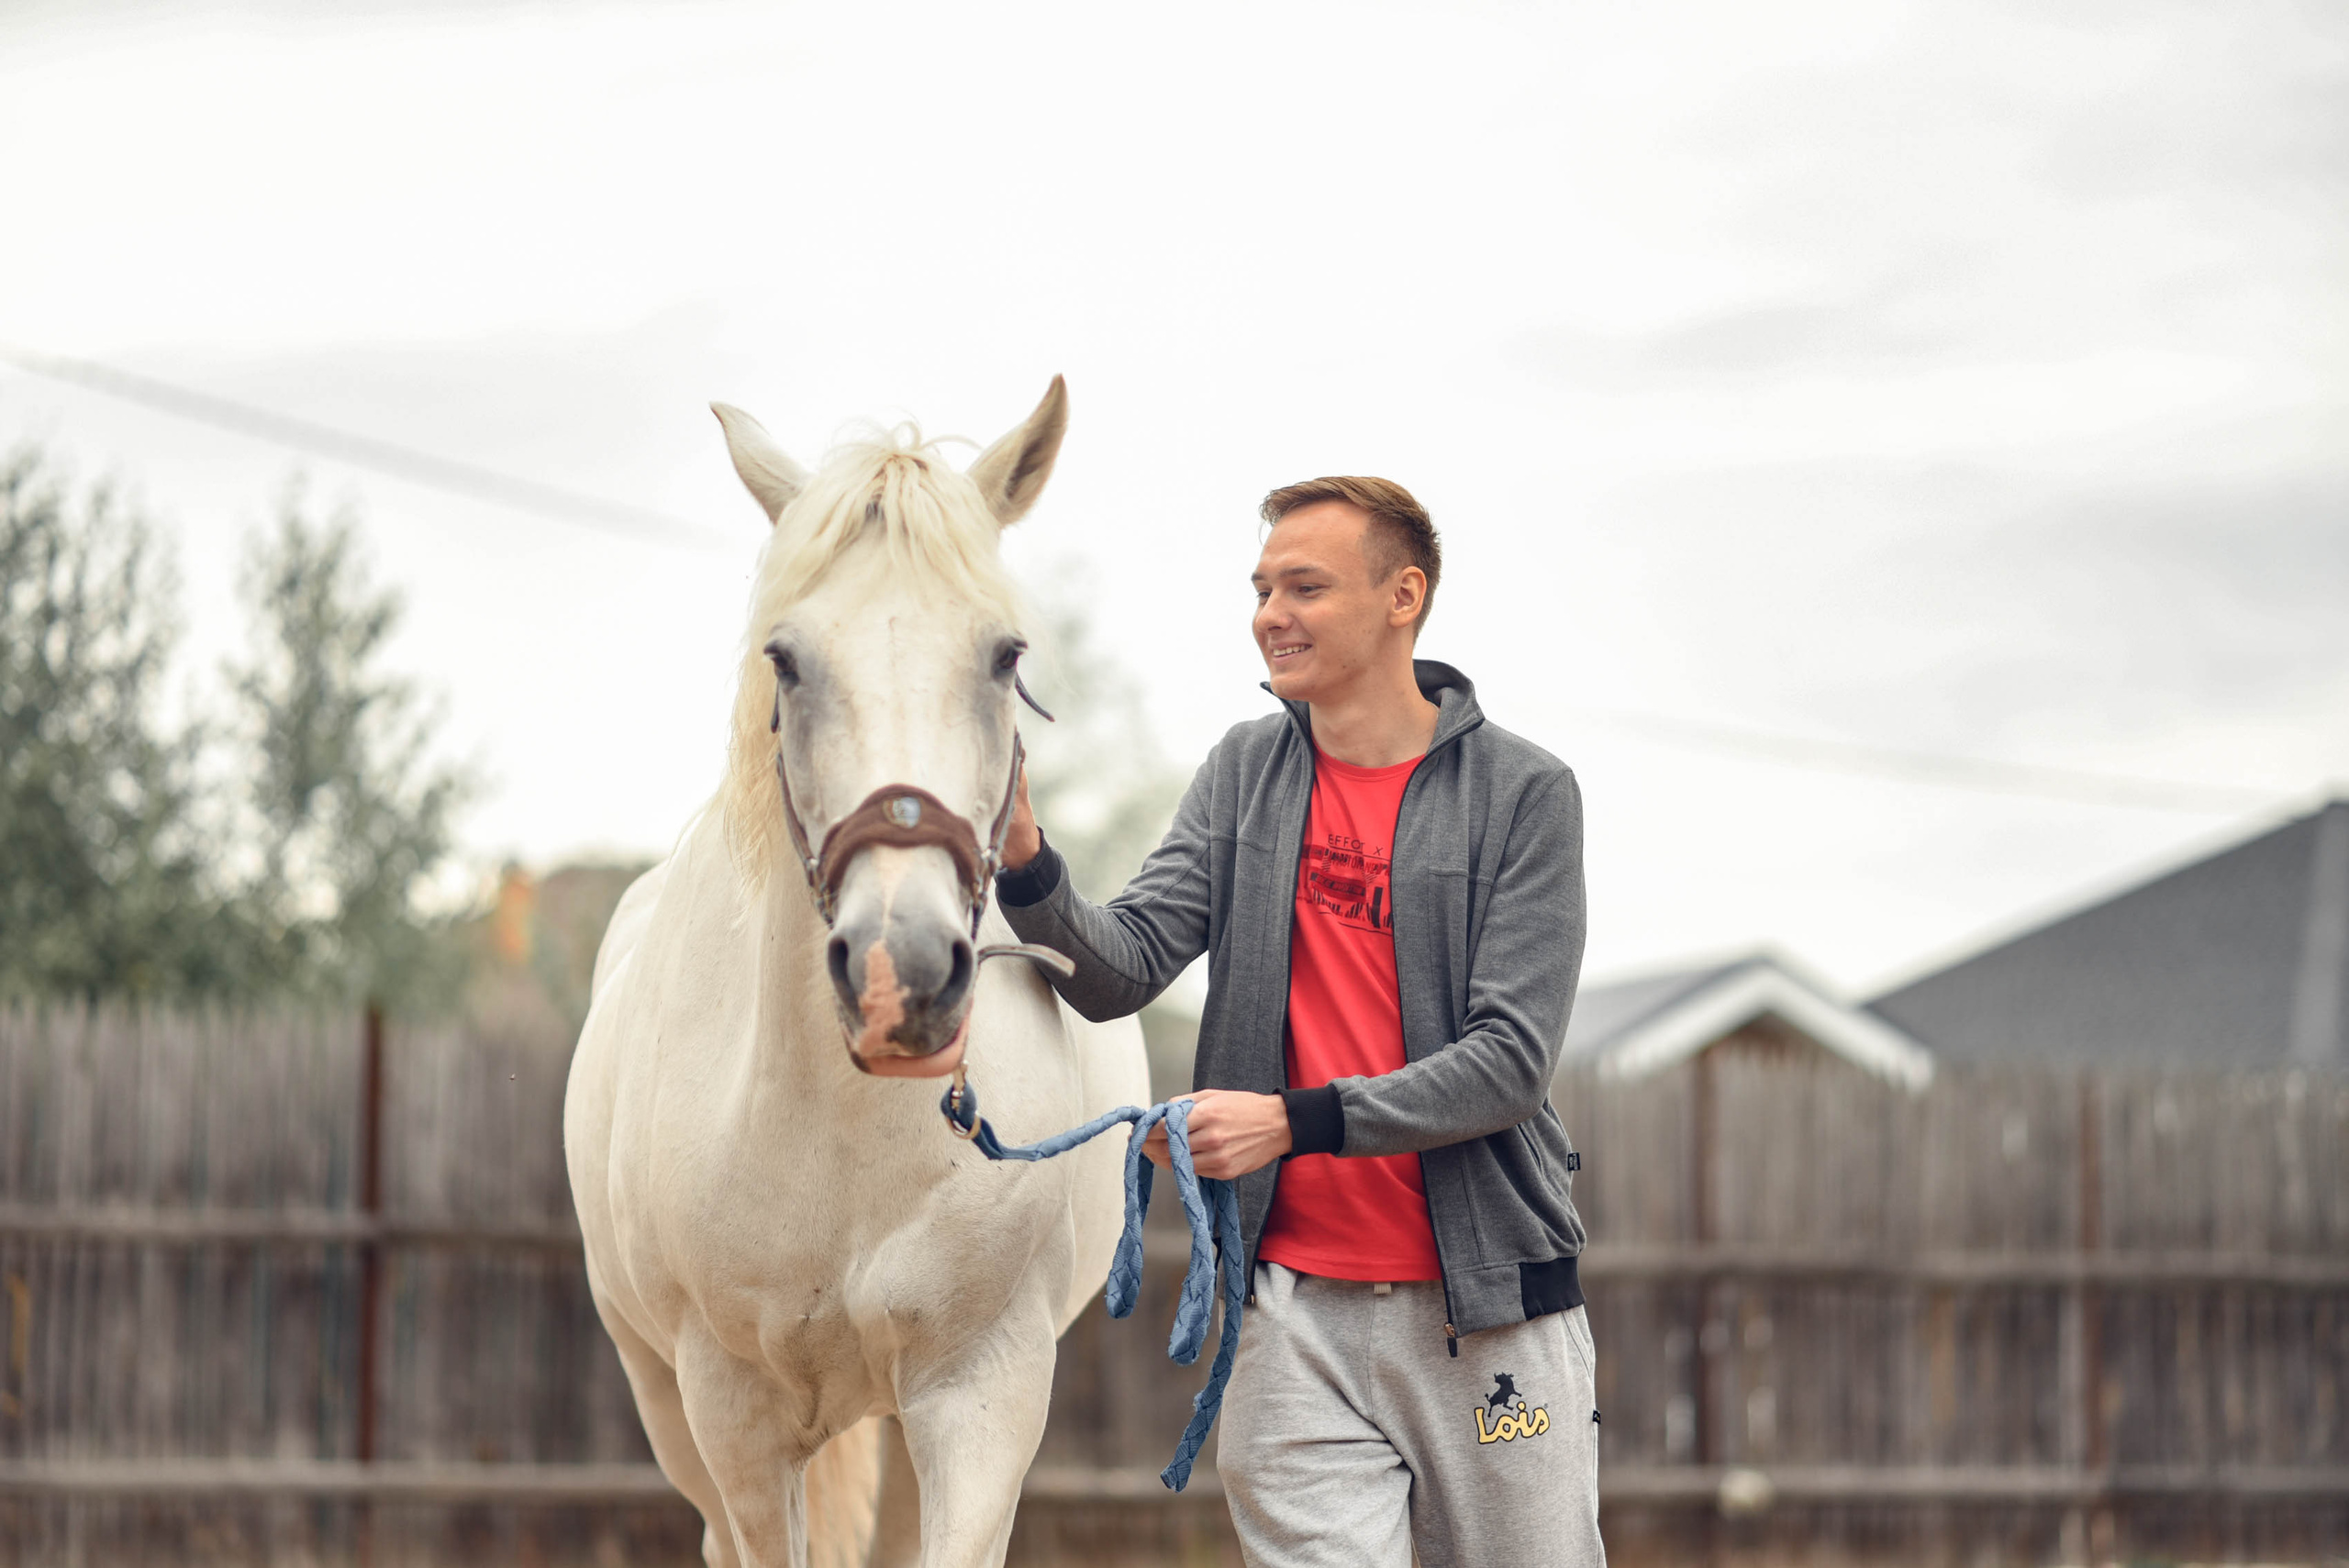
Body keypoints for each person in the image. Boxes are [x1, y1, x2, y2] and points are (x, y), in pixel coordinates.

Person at [994, 477, 1602, 1567]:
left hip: (1490, 1317)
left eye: (1304, 586)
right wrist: (1026, 859)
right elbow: (1119, 966)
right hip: (1290, 1320)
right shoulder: (1244, 772)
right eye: (1262, 587)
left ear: (1402, 596)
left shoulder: (1523, 792)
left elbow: (1507, 1062)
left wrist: (1287, 1120)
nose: (1270, 613)